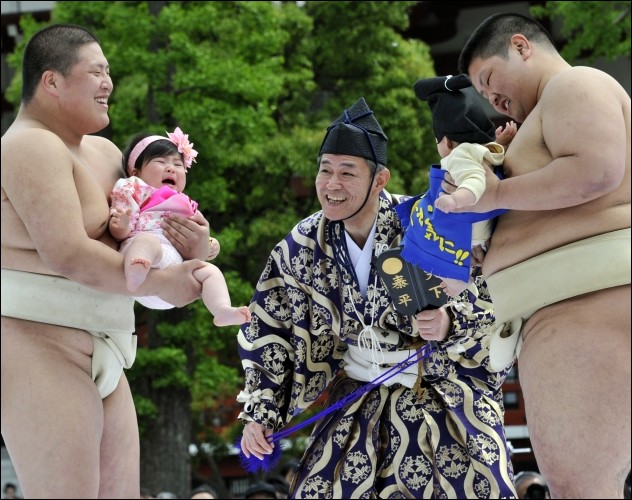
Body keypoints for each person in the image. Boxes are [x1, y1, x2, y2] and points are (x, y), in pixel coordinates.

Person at [236, 97, 517, 498]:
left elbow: (492, 285)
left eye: (347, 173)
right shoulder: (301, 245)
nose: (332, 184)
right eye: (325, 170)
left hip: (440, 390)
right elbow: (270, 327)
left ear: (379, 179)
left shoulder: (426, 221)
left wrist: (451, 321)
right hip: (357, 398)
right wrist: (260, 413)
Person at [1, 24, 211, 498]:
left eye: (109, 71)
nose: (108, 83)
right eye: (96, 71)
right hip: (37, 341)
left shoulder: (105, 152)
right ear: (51, 81)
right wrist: (160, 282)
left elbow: (140, 230)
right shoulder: (28, 144)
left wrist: (191, 247)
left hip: (107, 342)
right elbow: (68, 253)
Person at [457, 12, 631, 498]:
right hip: (573, 303)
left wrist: (494, 195)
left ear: (521, 46)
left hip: (588, 299)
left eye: (489, 79)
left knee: (580, 486)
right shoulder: (543, 115)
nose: (491, 98)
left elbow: (595, 170)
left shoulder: (574, 84)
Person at [110, 128, 251, 326]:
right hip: (144, 256)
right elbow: (118, 228)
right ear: (136, 171)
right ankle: (136, 272)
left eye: (177, 164)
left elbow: (195, 235)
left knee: (211, 272)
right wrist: (121, 226)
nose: (171, 168)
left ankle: (221, 310)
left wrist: (209, 245)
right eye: (160, 162)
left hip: (176, 270)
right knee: (147, 242)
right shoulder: (135, 188)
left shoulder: (184, 202)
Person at [397, 73, 516, 297]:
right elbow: (482, 161)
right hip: (480, 229)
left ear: (447, 142)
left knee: (422, 227)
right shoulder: (478, 151)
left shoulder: (458, 156)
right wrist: (501, 143)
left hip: (464, 223)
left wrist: (456, 199)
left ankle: (453, 281)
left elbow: (474, 180)